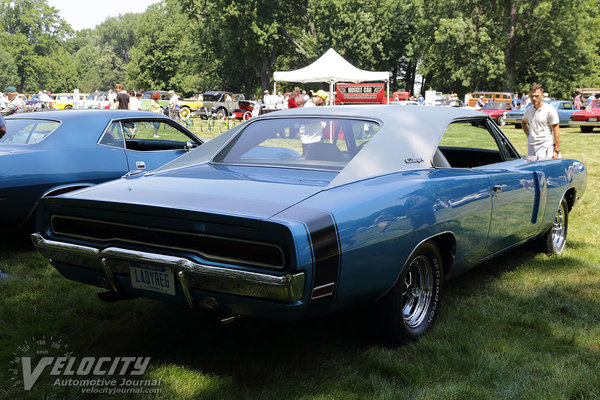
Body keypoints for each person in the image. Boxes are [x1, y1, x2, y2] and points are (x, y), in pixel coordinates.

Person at [522, 84, 560, 160]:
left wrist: (556, 150)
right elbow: (523, 122)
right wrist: (529, 135)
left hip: (544, 145)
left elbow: (556, 130)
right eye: (532, 96)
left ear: (542, 96)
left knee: (543, 169)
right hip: (531, 145)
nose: (534, 98)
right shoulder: (529, 110)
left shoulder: (550, 110)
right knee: (532, 168)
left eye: (537, 96)